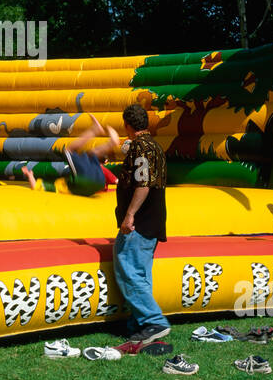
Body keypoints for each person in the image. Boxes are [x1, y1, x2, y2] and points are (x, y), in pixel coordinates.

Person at [112, 103, 170, 347]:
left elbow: (143, 183)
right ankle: (141, 325)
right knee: (142, 272)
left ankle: (154, 321)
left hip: (141, 222)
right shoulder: (155, 146)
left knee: (127, 267)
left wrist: (130, 215)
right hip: (154, 219)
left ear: (127, 125)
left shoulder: (139, 147)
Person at [21, 113, 121, 195]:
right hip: (98, 181)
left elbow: (35, 186)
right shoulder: (61, 185)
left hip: (92, 184)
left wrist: (30, 175)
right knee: (70, 151)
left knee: (87, 154)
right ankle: (101, 136)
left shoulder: (56, 187)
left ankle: (103, 137)